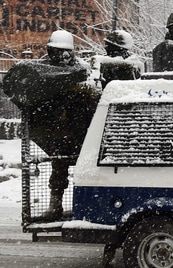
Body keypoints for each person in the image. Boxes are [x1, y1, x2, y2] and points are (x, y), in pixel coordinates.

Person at [3, 30, 101, 220]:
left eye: (66, 51)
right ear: (49, 50)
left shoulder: (81, 70)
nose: (62, 56)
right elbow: (13, 82)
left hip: (78, 128)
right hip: (56, 130)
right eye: (57, 51)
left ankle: (87, 208)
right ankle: (55, 206)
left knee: (86, 170)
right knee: (59, 169)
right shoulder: (41, 69)